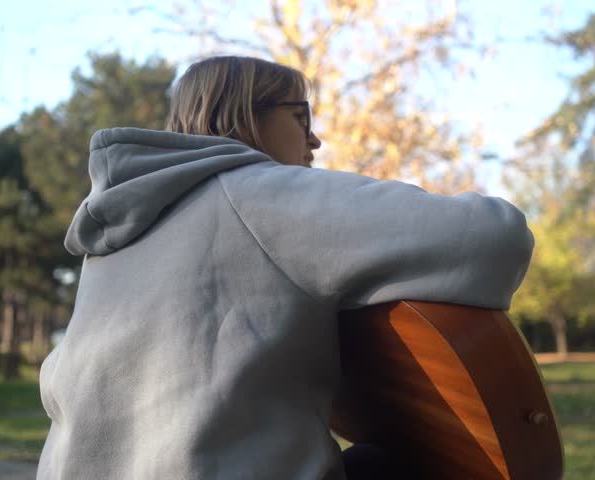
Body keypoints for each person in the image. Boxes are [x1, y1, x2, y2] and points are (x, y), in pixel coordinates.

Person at [36, 55, 534, 480]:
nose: (314, 140)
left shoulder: (114, 234)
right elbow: (495, 236)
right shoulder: (260, 194)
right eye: (301, 116)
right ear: (246, 116)